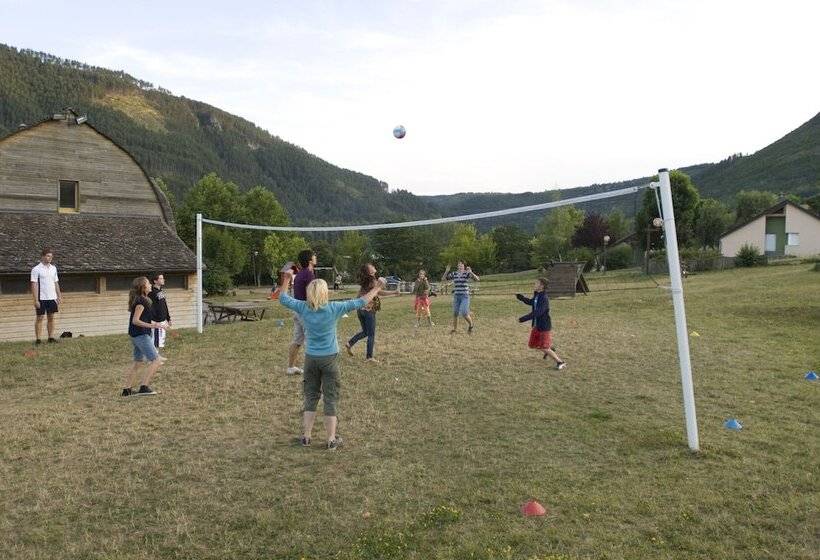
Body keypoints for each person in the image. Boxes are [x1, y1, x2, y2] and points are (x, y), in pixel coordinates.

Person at [278, 272, 382, 450]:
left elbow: (283, 298)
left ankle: (306, 437)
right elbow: (362, 301)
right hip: (329, 359)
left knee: (310, 397)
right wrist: (378, 287)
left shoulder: (303, 307)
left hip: (311, 359)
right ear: (325, 293)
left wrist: (286, 280)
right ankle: (331, 440)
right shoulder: (334, 308)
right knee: (330, 398)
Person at [345, 263, 399, 363]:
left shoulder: (365, 282)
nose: (374, 267)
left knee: (365, 332)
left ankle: (350, 343)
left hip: (360, 310)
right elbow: (379, 292)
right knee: (371, 334)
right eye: (372, 267)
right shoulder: (373, 281)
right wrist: (394, 292)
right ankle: (369, 357)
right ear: (370, 272)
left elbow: (359, 296)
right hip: (369, 310)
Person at [122, 277, 167, 397]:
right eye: (148, 283)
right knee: (156, 361)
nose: (150, 285)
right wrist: (152, 326)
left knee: (138, 363)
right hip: (140, 335)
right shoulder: (141, 302)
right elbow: (135, 321)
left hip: (136, 335)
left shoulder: (144, 300)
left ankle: (126, 390)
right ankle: (144, 387)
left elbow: (143, 319)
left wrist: (157, 324)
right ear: (143, 287)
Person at [516, 278, 566, 370]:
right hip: (536, 326)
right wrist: (522, 298)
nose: (534, 284)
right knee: (532, 345)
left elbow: (538, 312)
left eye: (536, 283)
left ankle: (560, 362)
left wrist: (524, 318)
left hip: (543, 326)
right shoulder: (538, 295)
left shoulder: (544, 298)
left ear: (541, 286)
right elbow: (532, 302)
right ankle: (550, 349)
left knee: (543, 347)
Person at [287, 250, 317, 375]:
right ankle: (313, 369)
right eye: (314, 256)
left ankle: (291, 367)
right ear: (310, 260)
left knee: (297, 340)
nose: (316, 257)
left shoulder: (300, 274)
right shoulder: (309, 274)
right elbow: (311, 295)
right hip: (305, 311)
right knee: (312, 340)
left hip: (297, 310)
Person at [30, 247, 62, 345]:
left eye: (51, 256)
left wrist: (59, 296)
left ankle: (50, 338)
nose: (49, 258)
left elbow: (56, 282)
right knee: (39, 318)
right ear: (43, 256)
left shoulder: (53, 268)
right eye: (48, 256)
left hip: (52, 297)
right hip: (41, 298)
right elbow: (34, 285)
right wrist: (36, 300)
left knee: (51, 317)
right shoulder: (36, 269)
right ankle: (38, 339)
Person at [450, 261, 479, 334]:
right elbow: (443, 279)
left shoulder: (467, 273)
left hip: (464, 296)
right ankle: (455, 329)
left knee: (464, 313)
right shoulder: (454, 273)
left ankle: (471, 325)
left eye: (461, 265)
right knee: (455, 313)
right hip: (456, 296)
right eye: (458, 265)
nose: (459, 266)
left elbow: (477, 279)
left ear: (464, 266)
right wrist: (446, 271)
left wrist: (471, 272)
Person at [148, 272, 172, 359]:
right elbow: (150, 307)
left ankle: (156, 356)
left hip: (162, 319)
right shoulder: (151, 292)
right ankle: (154, 358)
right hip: (156, 320)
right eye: (161, 278)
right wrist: (153, 319)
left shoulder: (161, 291)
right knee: (155, 339)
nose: (163, 280)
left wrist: (168, 318)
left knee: (160, 339)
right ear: (155, 281)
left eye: (163, 278)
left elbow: (164, 305)